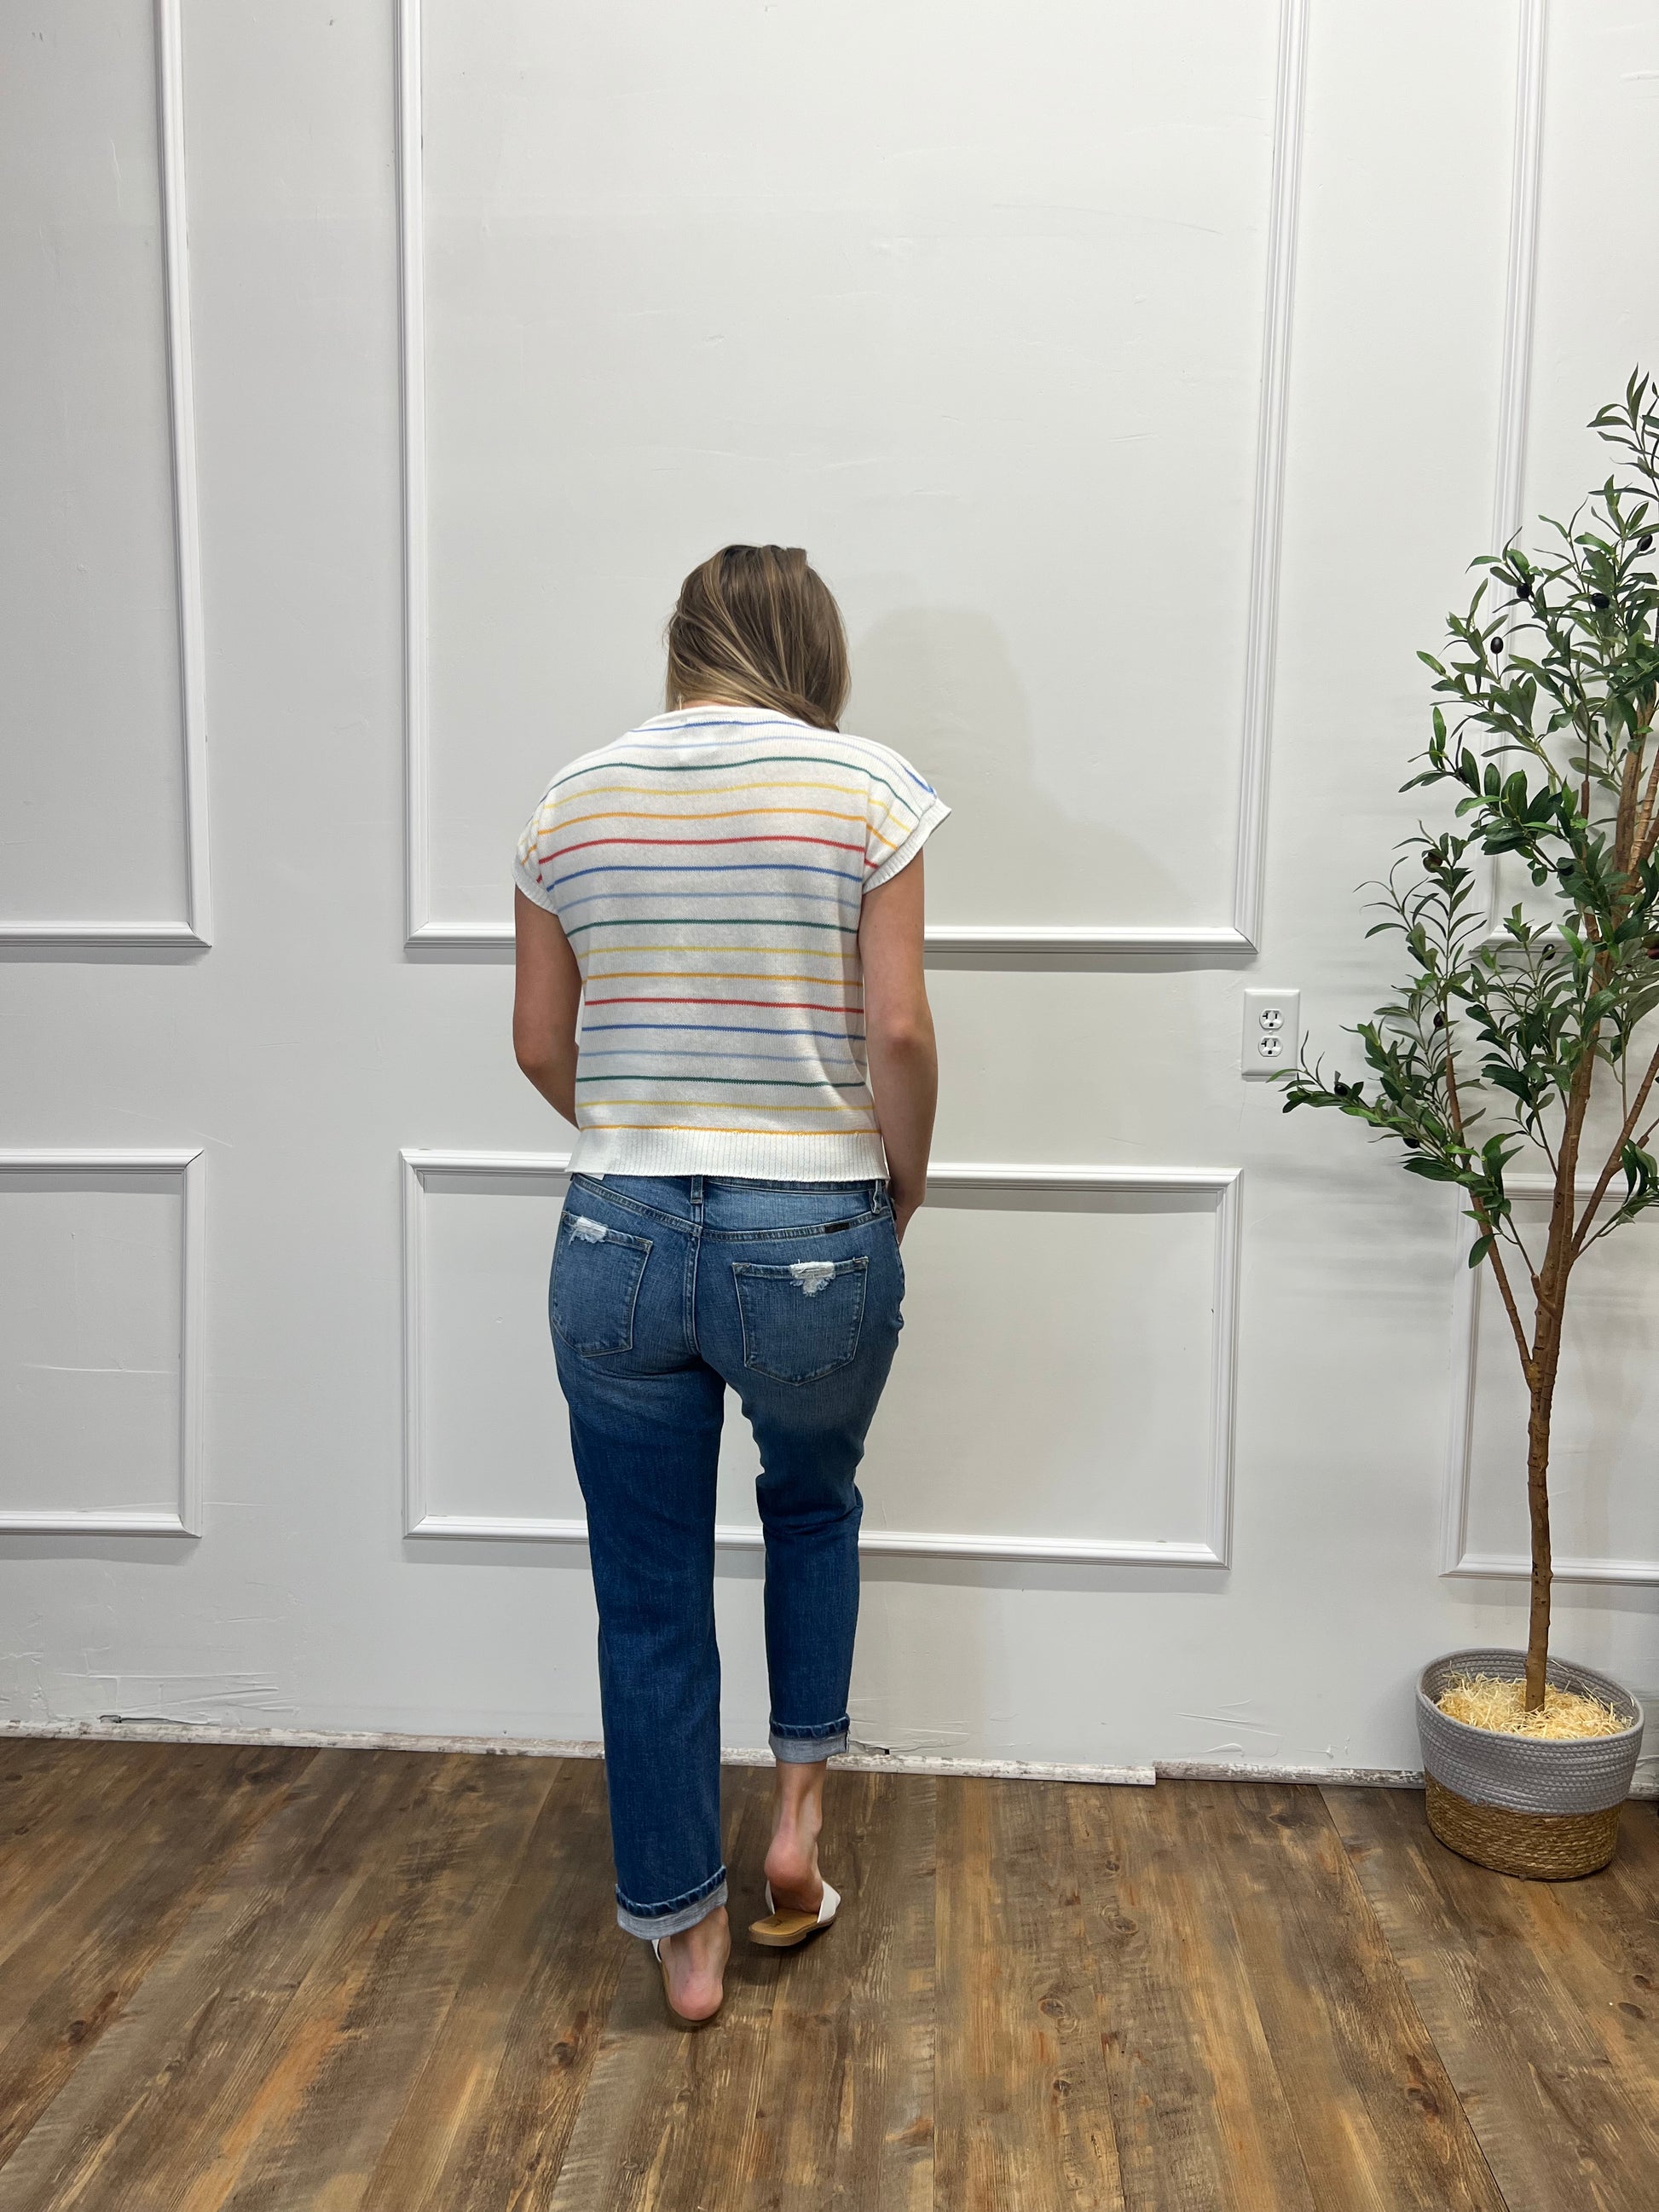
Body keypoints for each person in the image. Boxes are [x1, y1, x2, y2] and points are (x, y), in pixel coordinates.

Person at [510, 544, 947, 2027]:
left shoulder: (571, 801)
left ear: (683, 645)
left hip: (613, 1233)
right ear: (808, 651)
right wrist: (900, 1180)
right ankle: (796, 1830)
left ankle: (684, 1949)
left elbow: (535, 1044)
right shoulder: (864, 791)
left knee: (644, 1595)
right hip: (812, 1226)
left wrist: (641, 1145)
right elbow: (895, 1031)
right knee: (811, 1502)